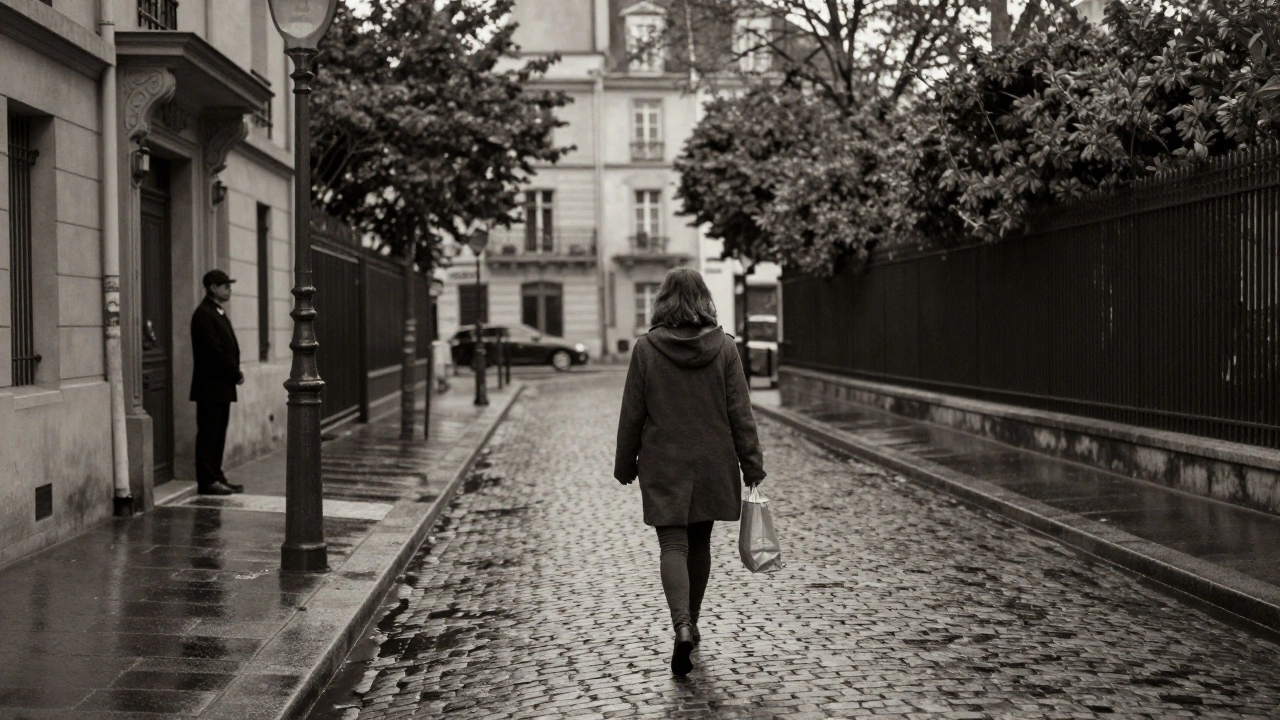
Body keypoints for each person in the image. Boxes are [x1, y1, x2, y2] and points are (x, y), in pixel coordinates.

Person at [614, 267, 767, 677]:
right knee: (699, 545)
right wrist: (752, 463)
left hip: (665, 462)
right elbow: (741, 414)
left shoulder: (646, 350)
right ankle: (692, 622)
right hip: (713, 461)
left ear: (661, 301)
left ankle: (681, 625)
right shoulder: (725, 348)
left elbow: (632, 414)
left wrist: (625, 463)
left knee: (672, 547)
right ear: (705, 301)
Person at [190, 269, 244, 495]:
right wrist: (234, 372)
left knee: (218, 432)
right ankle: (206, 480)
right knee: (209, 433)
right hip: (211, 385)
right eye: (225, 285)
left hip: (221, 385)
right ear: (213, 287)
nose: (229, 289)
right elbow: (213, 351)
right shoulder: (204, 314)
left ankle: (216, 474)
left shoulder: (217, 312)